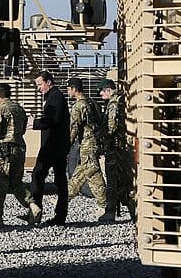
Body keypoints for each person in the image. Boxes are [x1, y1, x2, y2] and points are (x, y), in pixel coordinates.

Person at [0, 83, 42, 228]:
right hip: (19, 149)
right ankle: (33, 206)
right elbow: (23, 130)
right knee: (16, 183)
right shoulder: (19, 109)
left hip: (4, 150)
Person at [29, 70, 70, 225]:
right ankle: (56, 215)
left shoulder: (55, 97)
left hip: (53, 145)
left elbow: (53, 120)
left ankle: (37, 211)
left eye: (40, 84)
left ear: (48, 82)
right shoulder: (53, 96)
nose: (39, 88)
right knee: (57, 179)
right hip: (56, 144)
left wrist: (35, 123)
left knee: (39, 175)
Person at [99, 78, 137, 222]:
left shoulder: (113, 104)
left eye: (102, 92)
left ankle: (110, 212)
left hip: (113, 149)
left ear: (108, 90)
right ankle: (132, 210)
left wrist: (102, 135)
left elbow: (111, 127)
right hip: (120, 149)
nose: (101, 95)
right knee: (122, 181)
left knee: (112, 182)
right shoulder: (120, 100)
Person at [66, 77, 106, 212]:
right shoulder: (91, 102)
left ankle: (103, 204)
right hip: (94, 140)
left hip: (87, 142)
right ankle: (65, 198)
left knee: (93, 173)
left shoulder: (78, 106)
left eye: (69, 89)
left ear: (74, 89)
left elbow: (74, 128)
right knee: (81, 171)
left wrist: (66, 146)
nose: (68, 92)